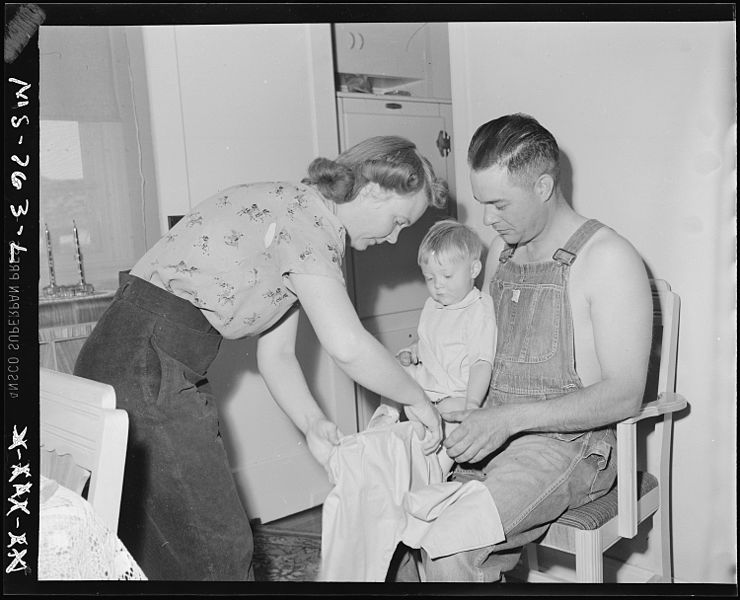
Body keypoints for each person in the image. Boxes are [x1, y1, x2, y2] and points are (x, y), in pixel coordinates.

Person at [73, 136, 448, 581]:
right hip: (150, 359)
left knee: (157, 544)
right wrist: (417, 399)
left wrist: (313, 425)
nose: (395, 237)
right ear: (371, 192)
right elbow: (347, 344)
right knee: (218, 545)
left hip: (133, 352)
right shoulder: (312, 221)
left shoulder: (296, 212)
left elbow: (278, 355)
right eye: (399, 221)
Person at [391, 113, 653, 582]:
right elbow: (480, 350)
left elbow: (624, 394)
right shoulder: (503, 254)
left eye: (498, 204)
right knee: (390, 518)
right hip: (493, 428)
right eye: (482, 203)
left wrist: (508, 420)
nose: (488, 219)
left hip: (567, 447)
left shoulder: (608, 258)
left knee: (453, 544)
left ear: (544, 186)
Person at [395, 219, 496, 477]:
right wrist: (415, 350)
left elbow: (481, 362)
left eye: (447, 276)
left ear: (473, 269)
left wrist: (472, 404)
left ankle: (433, 480)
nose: (438, 284)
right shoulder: (433, 305)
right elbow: (432, 339)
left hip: (456, 399)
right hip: (426, 394)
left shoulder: (478, 310)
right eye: (429, 278)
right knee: (393, 375)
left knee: (435, 464)